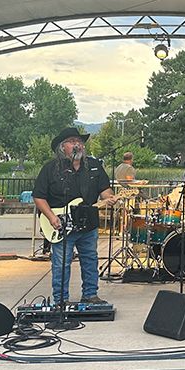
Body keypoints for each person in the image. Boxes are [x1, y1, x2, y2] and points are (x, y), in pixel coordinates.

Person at [32, 127, 117, 305]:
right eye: (72, 142)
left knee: (90, 259)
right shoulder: (51, 168)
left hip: (88, 222)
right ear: (62, 147)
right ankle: (61, 300)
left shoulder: (94, 166)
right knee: (61, 263)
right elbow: (39, 197)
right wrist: (51, 217)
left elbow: (105, 190)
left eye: (79, 141)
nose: (77, 144)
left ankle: (90, 295)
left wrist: (110, 198)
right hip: (61, 224)